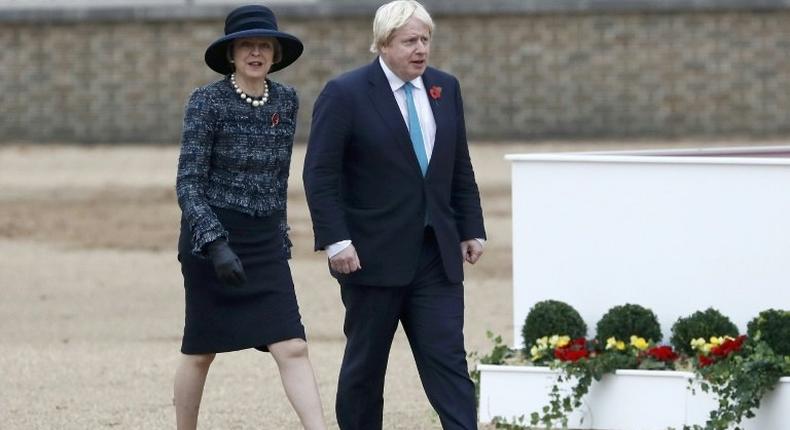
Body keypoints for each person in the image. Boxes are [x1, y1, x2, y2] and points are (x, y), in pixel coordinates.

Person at [302, 1, 486, 428]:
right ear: (383, 44)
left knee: (449, 362)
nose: (420, 49)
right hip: (370, 256)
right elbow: (320, 172)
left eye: (425, 39)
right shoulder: (345, 93)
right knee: (366, 369)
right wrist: (336, 240)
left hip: (435, 255)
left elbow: (458, 164)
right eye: (409, 41)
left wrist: (471, 226)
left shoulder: (445, 88)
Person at [173, 5, 326, 430]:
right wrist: (215, 244)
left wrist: (281, 238)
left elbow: (280, 179)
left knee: (292, 345)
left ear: (275, 54)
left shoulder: (287, 100)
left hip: (263, 241)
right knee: (202, 351)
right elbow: (188, 182)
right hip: (212, 240)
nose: (256, 53)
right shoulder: (207, 101)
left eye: (264, 46)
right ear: (232, 54)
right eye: (247, 46)